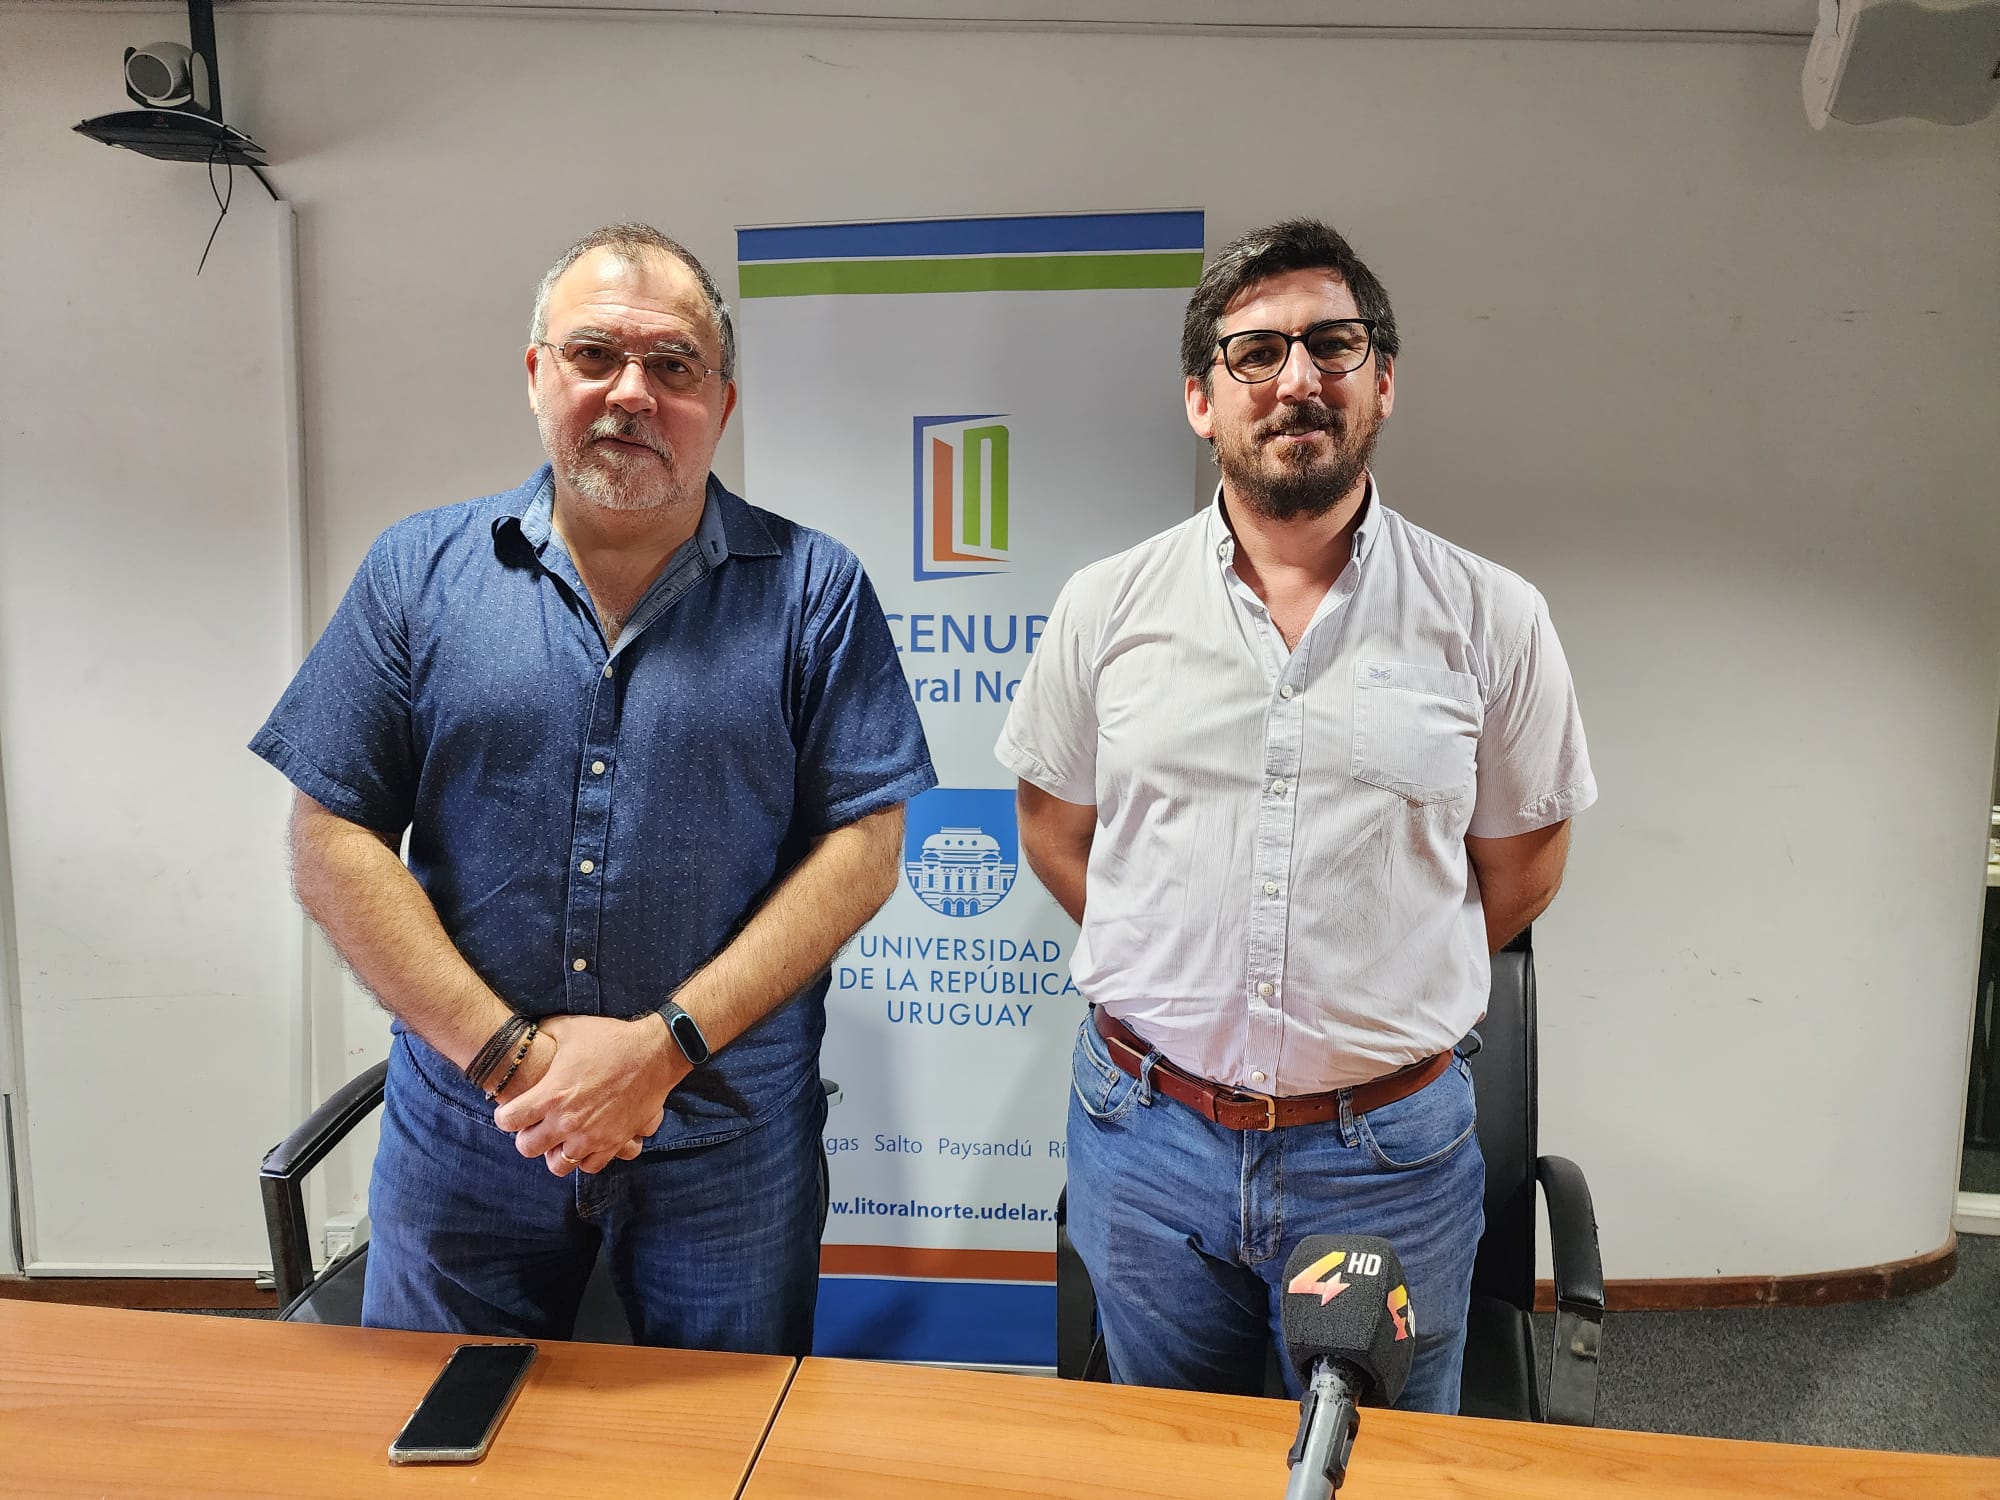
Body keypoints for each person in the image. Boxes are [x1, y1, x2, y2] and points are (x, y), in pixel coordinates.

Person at [252, 223, 934, 1352]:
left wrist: (658, 1051)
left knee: (716, 1436)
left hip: (724, 1142)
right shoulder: (416, 573)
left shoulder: (814, 591)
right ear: (536, 376)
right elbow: (331, 837)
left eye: (673, 365)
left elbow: (862, 849)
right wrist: (513, 1059)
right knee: (439, 1425)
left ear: (722, 402)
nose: (631, 392)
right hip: (471, 1131)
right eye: (594, 356)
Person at [995, 218, 1594, 1413]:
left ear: (1382, 381)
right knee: (1165, 1457)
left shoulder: (1491, 617)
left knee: (1374, 1469)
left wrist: (1370, 979)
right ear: (1200, 399)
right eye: (1255, 353)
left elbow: (1522, 870)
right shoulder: (1104, 607)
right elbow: (1056, 836)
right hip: (1146, 1138)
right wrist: (1183, 965)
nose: (1297, 380)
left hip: (1383, 1156)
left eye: (1332, 345)